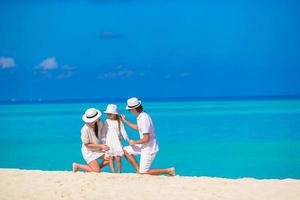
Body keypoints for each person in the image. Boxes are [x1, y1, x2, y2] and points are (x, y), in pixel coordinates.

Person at [121, 97, 175, 176]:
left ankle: (168, 170)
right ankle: (138, 170)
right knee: (125, 150)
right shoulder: (141, 116)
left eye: (129, 110)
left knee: (144, 173)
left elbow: (146, 139)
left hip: (149, 148)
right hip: (143, 146)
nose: (129, 111)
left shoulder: (143, 118)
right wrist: (125, 121)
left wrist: (134, 142)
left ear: (134, 109)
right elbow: (137, 127)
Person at [72, 108, 110, 172]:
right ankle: (77, 165)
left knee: (112, 157)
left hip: (97, 148)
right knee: (97, 171)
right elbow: (87, 145)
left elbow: (106, 132)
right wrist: (101, 146)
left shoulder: (99, 123)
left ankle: (94, 168)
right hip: (88, 151)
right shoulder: (84, 129)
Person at [104, 104, 129, 173]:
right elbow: (103, 132)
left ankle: (119, 172)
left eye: (110, 114)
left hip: (117, 142)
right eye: (107, 114)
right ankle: (113, 172)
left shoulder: (119, 122)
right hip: (109, 142)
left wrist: (127, 139)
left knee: (118, 158)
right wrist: (103, 142)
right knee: (110, 158)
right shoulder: (106, 121)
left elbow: (123, 131)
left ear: (115, 114)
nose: (109, 115)